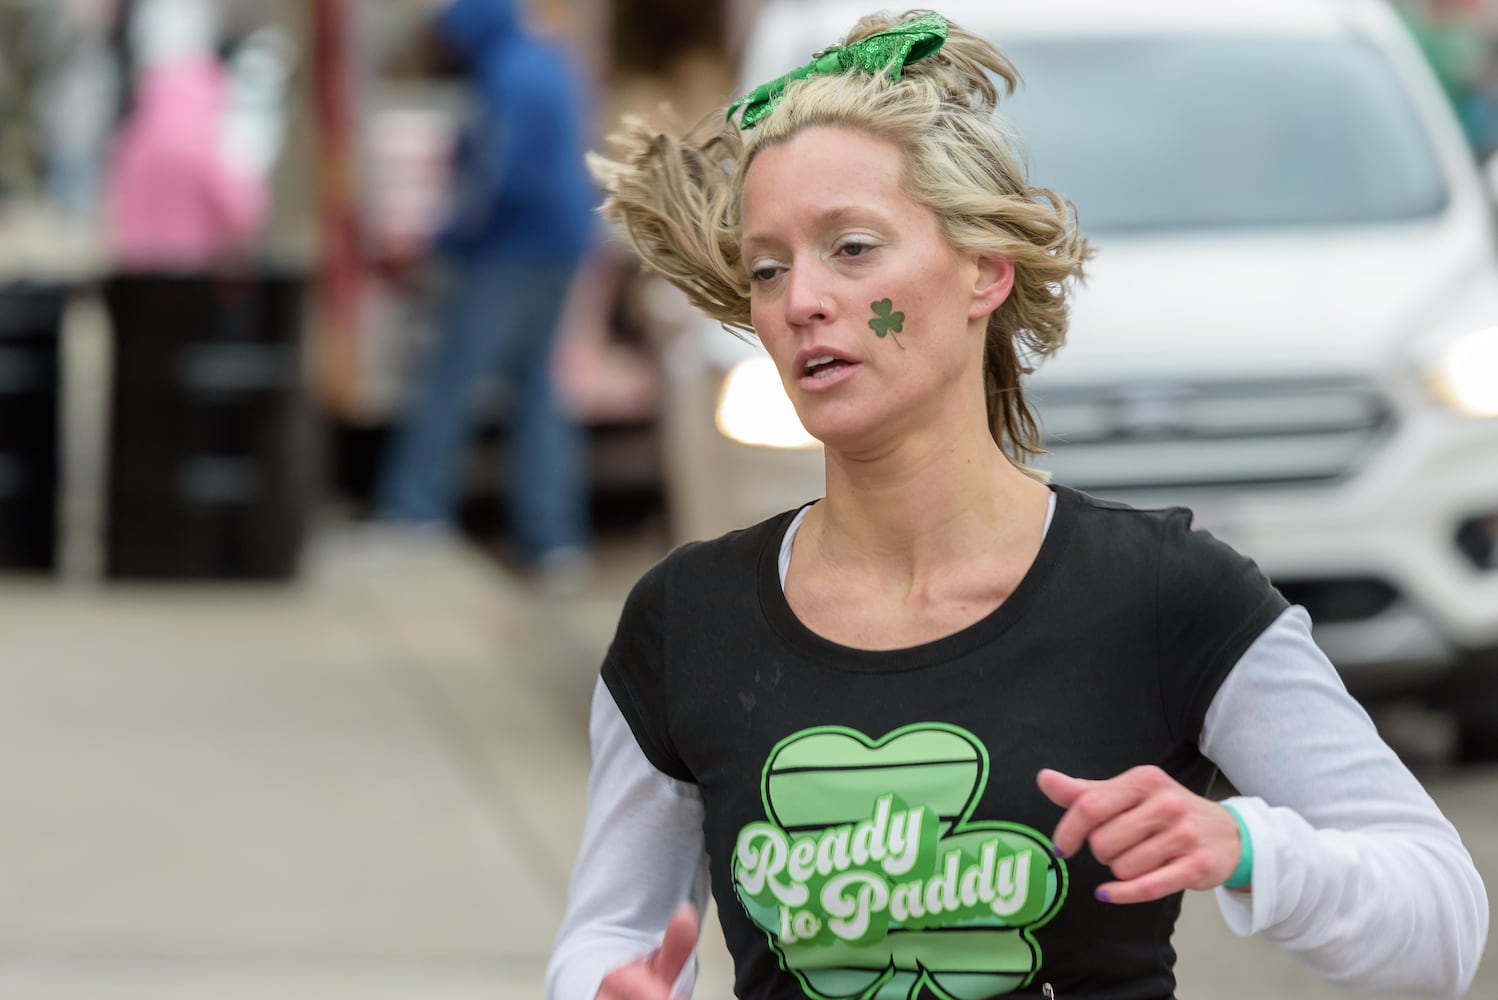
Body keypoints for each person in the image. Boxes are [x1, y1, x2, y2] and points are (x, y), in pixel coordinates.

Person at [548, 9, 1488, 1000]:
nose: (801, 300)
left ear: (983, 273)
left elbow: (1440, 926)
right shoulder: (686, 622)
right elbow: (614, 928)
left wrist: (1248, 844)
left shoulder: (1165, 596)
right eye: (770, 268)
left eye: (853, 248)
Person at [374, 0, 596, 578]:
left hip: (509, 253)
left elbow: (497, 179)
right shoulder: (543, 59)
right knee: (536, 390)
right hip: (556, 247)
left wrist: (443, 239)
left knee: (451, 377)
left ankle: (414, 508)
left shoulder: (506, 71)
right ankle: (553, 539)